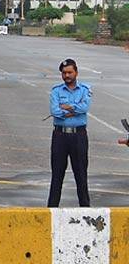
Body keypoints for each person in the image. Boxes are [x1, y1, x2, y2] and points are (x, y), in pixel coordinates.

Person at [48, 58, 92, 207]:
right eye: (64, 73)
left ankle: (86, 209)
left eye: (70, 72)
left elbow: (84, 108)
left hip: (78, 136)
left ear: (76, 73)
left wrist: (67, 107)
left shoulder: (85, 89)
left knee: (81, 174)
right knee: (57, 175)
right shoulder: (56, 91)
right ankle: (52, 210)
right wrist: (74, 109)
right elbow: (55, 111)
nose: (67, 75)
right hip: (60, 136)